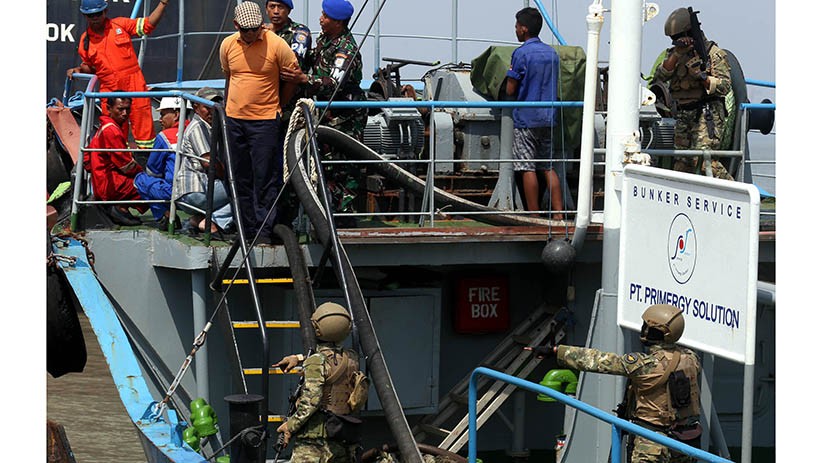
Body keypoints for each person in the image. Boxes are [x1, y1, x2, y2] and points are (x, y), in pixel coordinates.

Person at [527, 304, 702, 463]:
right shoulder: (691, 359)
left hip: (652, 443)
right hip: (685, 440)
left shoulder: (644, 365)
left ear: (655, 332)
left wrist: (556, 352)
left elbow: (598, 360)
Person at [280, 0, 368, 225]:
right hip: (327, 112)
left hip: (346, 116)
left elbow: (334, 83)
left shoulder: (345, 49)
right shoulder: (325, 39)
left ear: (338, 22)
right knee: (325, 164)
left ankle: (344, 217)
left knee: (344, 166)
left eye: (326, 17)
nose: (321, 19)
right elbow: (313, 60)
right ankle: (327, 214)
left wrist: (304, 79)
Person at [219, 1, 299, 244]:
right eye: (246, 30)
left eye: (255, 29)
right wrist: (228, 110)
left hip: (265, 121)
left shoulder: (277, 45)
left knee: (265, 177)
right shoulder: (227, 45)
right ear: (236, 26)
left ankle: (263, 231)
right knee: (239, 176)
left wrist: (278, 105)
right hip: (235, 120)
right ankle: (245, 229)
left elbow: (293, 78)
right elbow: (229, 77)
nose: (252, 34)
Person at [67, 0, 171, 150]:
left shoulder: (120, 25)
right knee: (112, 129)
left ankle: (146, 157)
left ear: (105, 12)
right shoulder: (85, 41)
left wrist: (162, 3)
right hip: (109, 89)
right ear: (85, 16)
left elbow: (147, 25)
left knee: (143, 125)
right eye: (91, 15)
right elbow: (90, 66)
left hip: (134, 84)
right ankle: (117, 158)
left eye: (98, 14)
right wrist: (79, 70)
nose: (95, 18)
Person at [276, 302, 367, 463]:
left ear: (317, 328)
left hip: (315, 442)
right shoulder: (352, 358)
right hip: (342, 434)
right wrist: (298, 358)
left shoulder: (316, 362)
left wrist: (290, 426)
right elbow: (329, 360)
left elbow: (311, 402)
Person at [652, 7, 733, 180]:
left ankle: (739, 191)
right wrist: (676, 55)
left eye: (678, 37)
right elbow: (659, 77)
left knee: (704, 162)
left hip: (706, 113)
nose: (676, 41)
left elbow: (725, 86)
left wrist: (702, 76)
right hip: (683, 114)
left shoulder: (713, 54)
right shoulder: (674, 55)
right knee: (682, 164)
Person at [505, 7, 563, 219]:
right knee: (548, 167)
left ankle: (534, 216)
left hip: (526, 119)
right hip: (549, 117)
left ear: (524, 29)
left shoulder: (521, 54)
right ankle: (559, 214)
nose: (515, 30)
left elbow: (510, 89)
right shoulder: (552, 53)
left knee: (527, 167)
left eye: (517, 26)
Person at [174, 87, 235, 235]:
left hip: (203, 188)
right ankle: (213, 222)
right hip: (195, 190)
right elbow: (209, 163)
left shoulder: (212, 127)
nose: (212, 112)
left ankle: (201, 220)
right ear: (196, 108)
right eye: (207, 108)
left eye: (216, 107)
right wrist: (230, 177)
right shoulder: (198, 127)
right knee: (245, 189)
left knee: (244, 190)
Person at [85, 95, 146, 226]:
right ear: (109, 108)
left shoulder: (104, 127)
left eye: (127, 109)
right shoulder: (112, 131)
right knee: (150, 187)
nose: (124, 113)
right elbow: (126, 166)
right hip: (109, 185)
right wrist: (144, 175)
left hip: (101, 181)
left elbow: (87, 160)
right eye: (120, 109)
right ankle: (120, 208)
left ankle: (120, 207)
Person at [134, 96, 188, 228]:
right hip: (200, 189)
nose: (160, 119)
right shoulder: (198, 131)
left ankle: (166, 215)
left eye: (163, 114)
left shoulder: (165, 136)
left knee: (141, 180)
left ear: (176, 115)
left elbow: (153, 171)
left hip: (175, 191)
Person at [264, 0, 312, 72]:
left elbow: (294, 63)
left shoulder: (300, 31)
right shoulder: (262, 31)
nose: (276, 11)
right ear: (266, 10)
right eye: (272, 7)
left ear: (288, 11)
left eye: (280, 7)